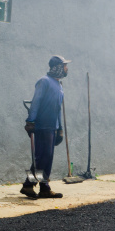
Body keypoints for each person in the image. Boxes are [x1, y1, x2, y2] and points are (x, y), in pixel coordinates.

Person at [21, 55, 70, 199]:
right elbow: (36, 102)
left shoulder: (59, 85)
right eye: (65, 66)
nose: (67, 69)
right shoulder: (44, 81)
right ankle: (30, 185)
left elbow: (58, 109)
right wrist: (31, 122)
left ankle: (42, 187)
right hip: (42, 126)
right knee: (41, 158)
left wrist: (60, 128)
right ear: (58, 67)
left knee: (46, 158)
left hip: (52, 126)